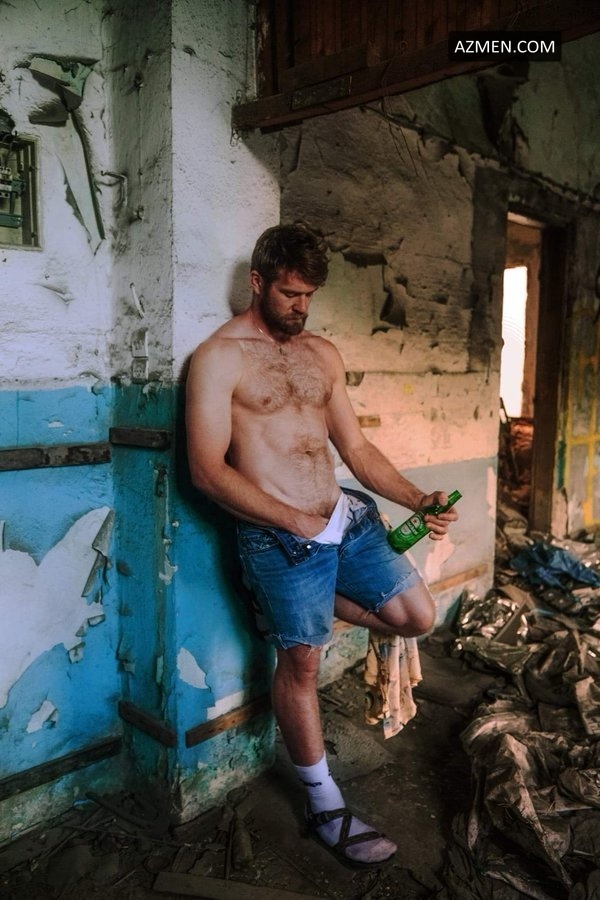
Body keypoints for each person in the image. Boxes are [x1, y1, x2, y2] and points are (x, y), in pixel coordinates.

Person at [185, 223, 458, 869]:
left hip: (344, 518)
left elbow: (355, 448)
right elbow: (206, 470)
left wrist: (415, 499)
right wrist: (293, 521)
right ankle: (323, 805)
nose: (300, 306)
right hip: (278, 537)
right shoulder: (219, 358)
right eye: (289, 293)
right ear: (258, 282)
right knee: (302, 665)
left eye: (309, 295)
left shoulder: (321, 355)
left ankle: (293, 604)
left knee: (417, 615)